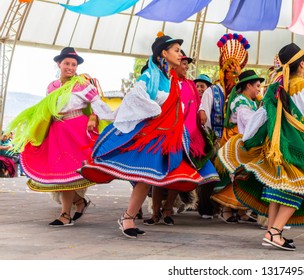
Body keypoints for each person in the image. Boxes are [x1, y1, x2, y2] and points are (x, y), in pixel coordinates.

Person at [218, 43, 304, 251]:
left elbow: (260, 117)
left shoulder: (276, 89)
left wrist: (246, 139)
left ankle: (271, 230)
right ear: (302, 64)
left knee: (278, 186)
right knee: (297, 188)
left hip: (275, 148)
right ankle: (275, 232)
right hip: (297, 147)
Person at [80, 33, 203, 238]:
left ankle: (131, 216)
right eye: (176, 50)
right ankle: (129, 217)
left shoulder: (172, 80)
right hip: (150, 134)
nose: (180, 54)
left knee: (148, 176)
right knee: (144, 175)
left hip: (165, 135)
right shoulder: (150, 76)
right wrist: (155, 110)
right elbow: (136, 96)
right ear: (163, 53)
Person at [7, 47, 113, 226]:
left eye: (73, 64)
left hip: (77, 132)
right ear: (59, 64)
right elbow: (47, 110)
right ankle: (79, 203)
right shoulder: (52, 86)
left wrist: (95, 117)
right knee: (63, 173)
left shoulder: (82, 84)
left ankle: (65, 214)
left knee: (71, 172)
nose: (70, 67)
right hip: (58, 132)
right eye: (66, 63)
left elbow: (98, 104)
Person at [143, 50, 219, 226]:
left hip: (187, 137)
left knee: (177, 174)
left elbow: (197, 103)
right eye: (183, 63)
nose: (185, 67)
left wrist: (201, 111)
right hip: (166, 134)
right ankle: (155, 212)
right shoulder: (166, 82)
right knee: (159, 175)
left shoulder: (190, 85)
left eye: (187, 64)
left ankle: (168, 209)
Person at [197, 33, 250, 222]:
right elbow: (204, 110)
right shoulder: (213, 91)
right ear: (222, 69)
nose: (232, 74)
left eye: (235, 70)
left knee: (237, 175)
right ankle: (206, 207)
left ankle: (235, 209)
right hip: (215, 139)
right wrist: (211, 138)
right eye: (229, 69)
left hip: (234, 141)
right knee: (211, 175)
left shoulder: (240, 94)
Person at [211, 69, 263, 224]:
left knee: (245, 176)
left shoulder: (251, 102)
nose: (259, 90)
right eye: (257, 86)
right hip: (236, 143)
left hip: (245, 142)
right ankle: (226, 209)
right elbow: (249, 122)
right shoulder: (240, 102)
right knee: (234, 176)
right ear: (248, 86)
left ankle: (241, 210)